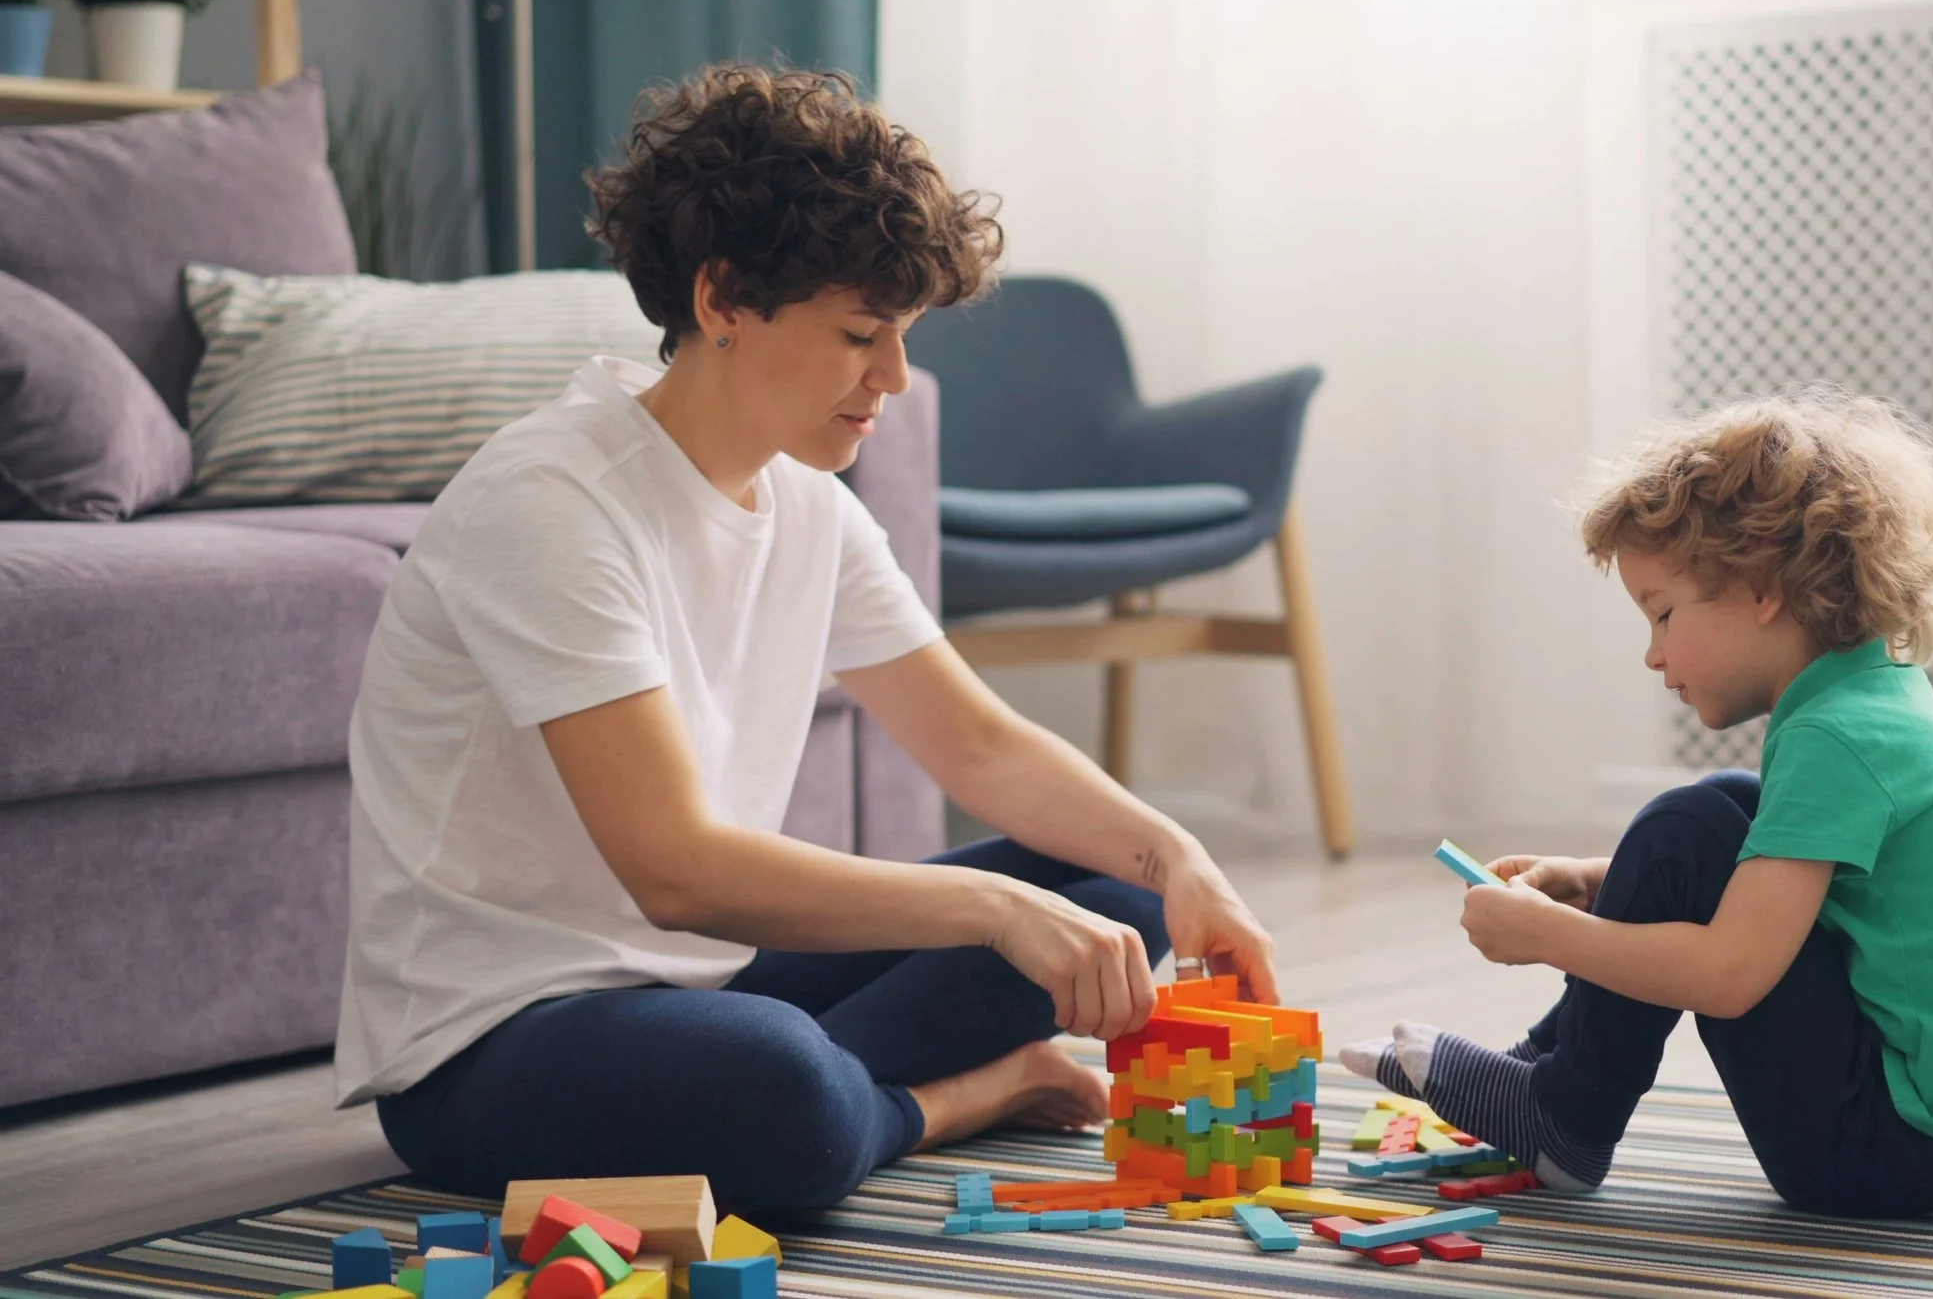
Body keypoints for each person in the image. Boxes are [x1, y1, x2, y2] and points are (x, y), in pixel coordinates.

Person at [333, 64, 1277, 1212]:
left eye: (904, 337)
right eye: (858, 335)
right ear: (723, 298)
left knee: (1112, 907)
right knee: (778, 1088)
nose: (892, 379)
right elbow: (675, 867)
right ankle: (942, 1098)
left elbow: (975, 743)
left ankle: (847, 1090)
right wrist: (994, 910)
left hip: (708, 988)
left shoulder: (808, 505)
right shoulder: (552, 500)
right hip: (493, 1046)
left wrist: (1180, 859)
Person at [1343, 390, 1933, 1218]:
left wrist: (1549, 938)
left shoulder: (1836, 739)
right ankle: (1549, 1080)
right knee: (1720, 814)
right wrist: (1600, 883)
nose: (1653, 655)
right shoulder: (1875, 705)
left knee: (1690, 828)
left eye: (1662, 614)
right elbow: (1806, 886)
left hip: (1880, 1149)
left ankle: (1564, 1116)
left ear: (1761, 588)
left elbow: (1731, 975)